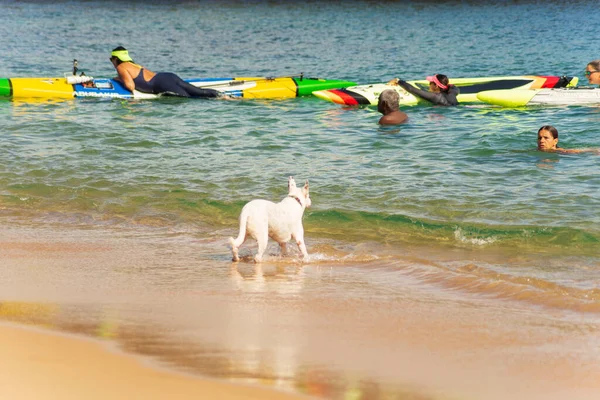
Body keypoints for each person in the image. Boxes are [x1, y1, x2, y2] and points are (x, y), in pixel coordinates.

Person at [109, 46, 221, 98]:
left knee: (193, 98)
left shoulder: (121, 67)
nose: (111, 62)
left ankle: (226, 98)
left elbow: (130, 86)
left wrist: (119, 80)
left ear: (116, 59)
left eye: (111, 59)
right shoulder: (134, 65)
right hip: (168, 76)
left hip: (163, 84)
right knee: (199, 92)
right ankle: (225, 96)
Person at [387, 74, 459, 106]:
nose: (429, 84)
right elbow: (455, 87)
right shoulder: (452, 92)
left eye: (430, 83)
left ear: (436, 86)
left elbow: (412, 89)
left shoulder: (435, 96)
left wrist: (398, 81)